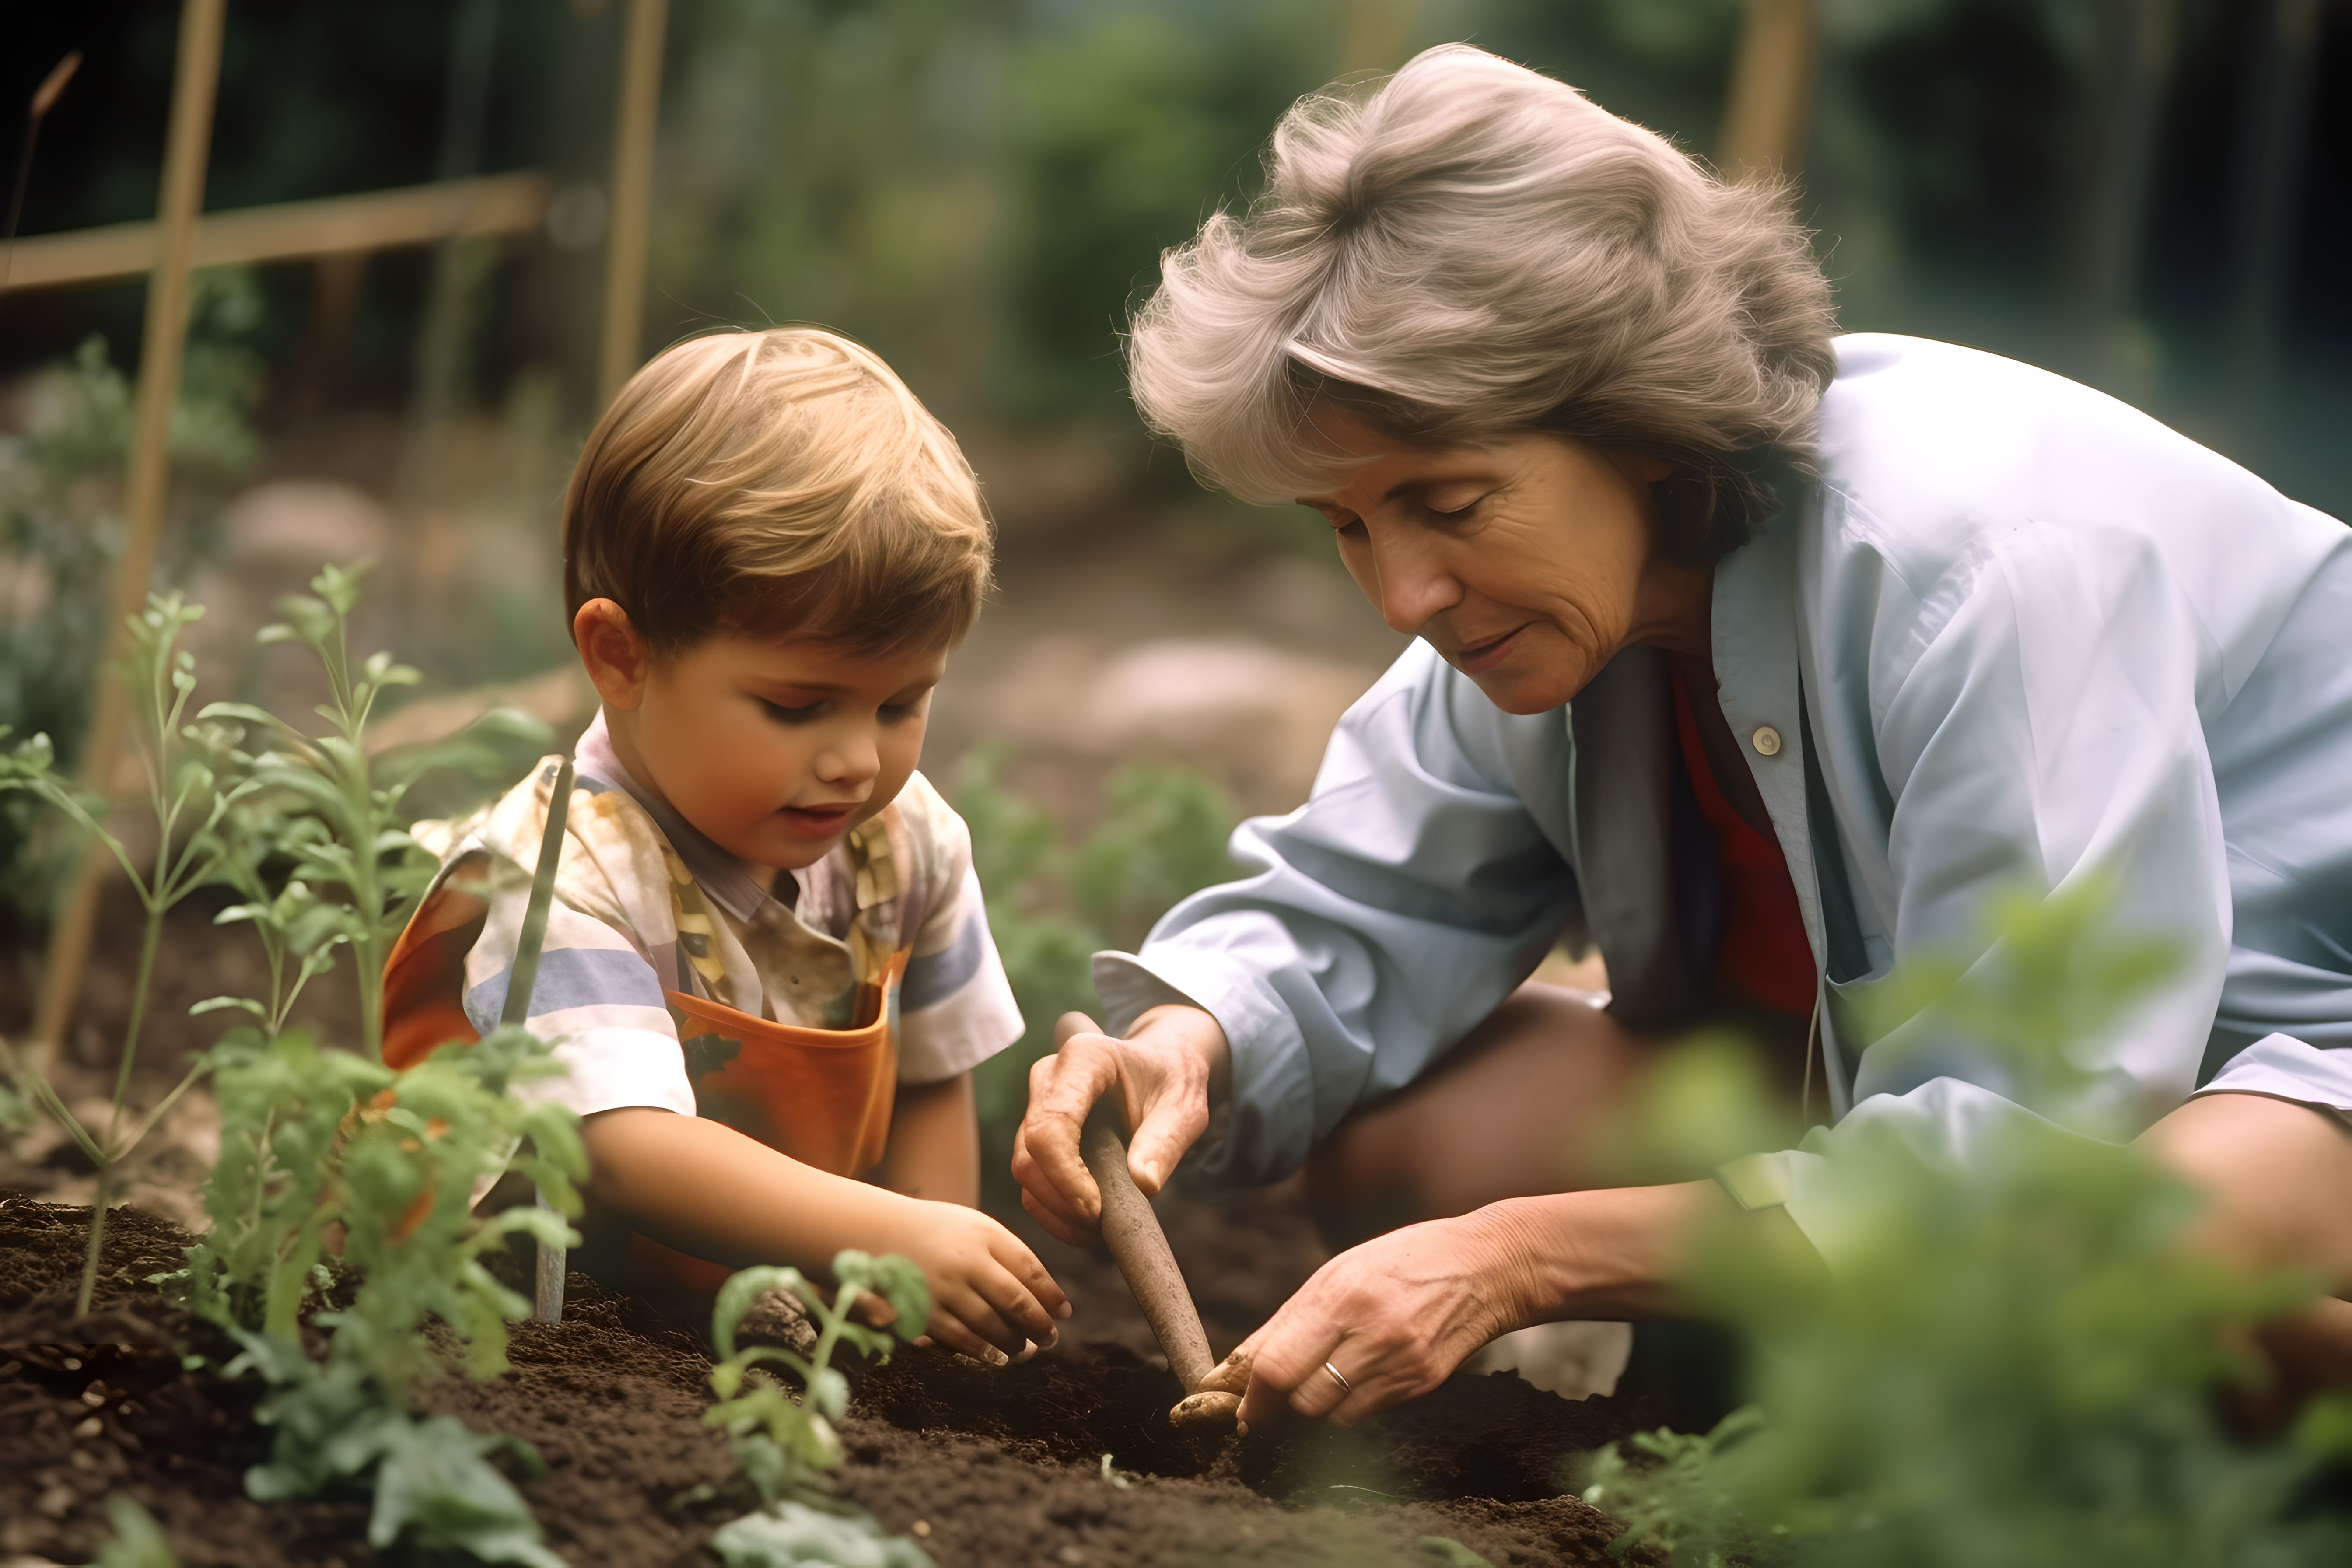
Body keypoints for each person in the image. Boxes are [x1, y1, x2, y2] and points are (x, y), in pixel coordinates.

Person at [1013, 45, 2352, 1429]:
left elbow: (2039, 1138)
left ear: (1637, 422)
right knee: (1428, 1146)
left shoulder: (1978, 565)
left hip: (2276, 1075)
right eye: (1349, 525)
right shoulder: (1548, 609)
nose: (1406, 594)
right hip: (1926, 1092)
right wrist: (1192, 1039)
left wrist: (1520, 1259)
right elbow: (1363, 900)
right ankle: (1790, 1382)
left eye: (1452, 504)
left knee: (2085, 1272)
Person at [385, 327, 1068, 1363]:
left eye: (901, 702)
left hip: (749, 1323)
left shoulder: (906, 842)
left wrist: (927, 1282)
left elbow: (932, 1075)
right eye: (799, 707)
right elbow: (620, 1146)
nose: (854, 760)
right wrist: (887, 1236)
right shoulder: (564, 868)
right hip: (527, 1333)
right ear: (621, 656)